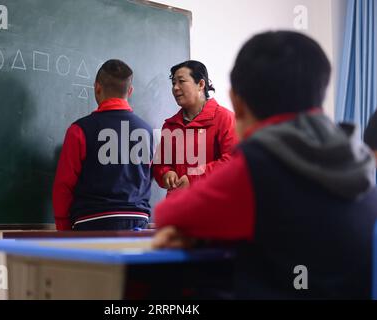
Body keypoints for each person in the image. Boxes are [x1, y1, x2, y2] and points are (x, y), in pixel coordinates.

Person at [153, 31, 377, 299]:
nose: (176, 87)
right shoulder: (358, 156)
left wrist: (201, 231)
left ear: (237, 101)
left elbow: (169, 214)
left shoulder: (257, 163)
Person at [53, 59, 153, 231]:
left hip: (91, 221)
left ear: (97, 87)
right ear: (130, 91)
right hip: (137, 221)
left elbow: (64, 185)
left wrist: (63, 228)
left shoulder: (79, 130)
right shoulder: (147, 131)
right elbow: (150, 176)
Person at [153, 60, 238, 193]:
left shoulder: (224, 118)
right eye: (174, 83)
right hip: (178, 206)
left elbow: (232, 161)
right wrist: (166, 173)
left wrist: (193, 178)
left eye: (181, 81)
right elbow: (160, 164)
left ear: (201, 84)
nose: (175, 87)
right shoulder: (170, 125)